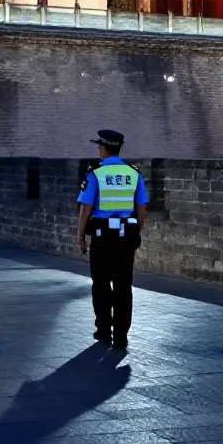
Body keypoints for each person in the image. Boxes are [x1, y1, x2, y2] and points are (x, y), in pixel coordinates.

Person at [77, 129, 148, 349]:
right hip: (125, 239)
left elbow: (85, 208)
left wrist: (80, 237)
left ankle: (104, 331)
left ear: (103, 147)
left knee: (101, 286)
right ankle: (121, 336)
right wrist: (137, 232)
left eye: (99, 146)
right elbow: (141, 207)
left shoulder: (96, 173)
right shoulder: (134, 174)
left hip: (102, 238)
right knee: (123, 288)